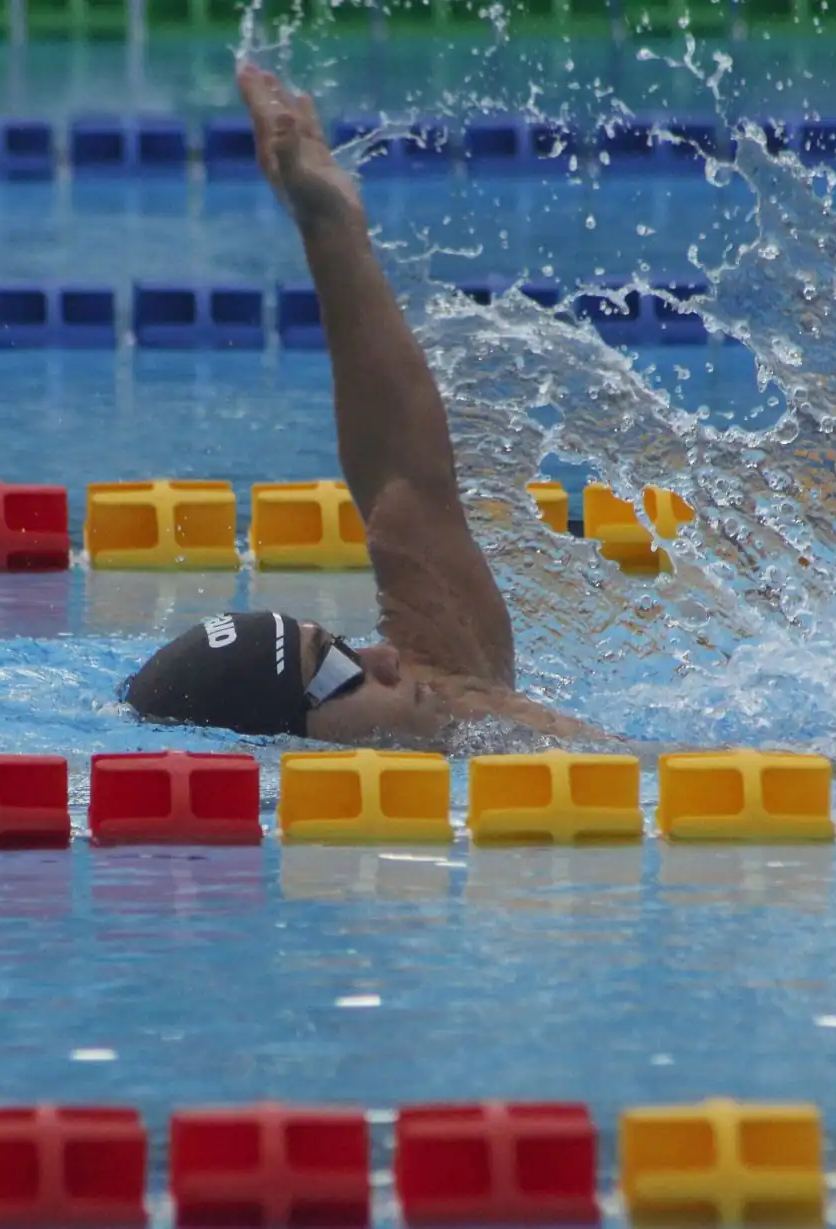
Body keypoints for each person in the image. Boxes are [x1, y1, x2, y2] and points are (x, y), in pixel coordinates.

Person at [122, 64, 602, 749]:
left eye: (344, 646)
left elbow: (408, 483)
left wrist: (332, 228)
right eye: (337, 675)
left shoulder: (458, 699)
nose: (384, 656)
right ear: (284, 745)